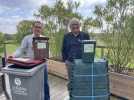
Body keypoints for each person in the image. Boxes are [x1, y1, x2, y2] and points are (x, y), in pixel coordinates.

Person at [12, 21, 50, 100]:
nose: (38, 29)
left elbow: (49, 53)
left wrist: (42, 50)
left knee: (45, 84)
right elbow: (21, 50)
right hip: (32, 65)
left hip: (43, 65)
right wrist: (13, 56)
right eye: (36, 27)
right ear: (33, 28)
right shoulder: (27, 38)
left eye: (39, 27)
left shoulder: (44, 39)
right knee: (33, 84)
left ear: (41, 29)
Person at [62, 18, 90, 99]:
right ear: (70, 27)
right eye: (73, 27)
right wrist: (65, 60)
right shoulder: (66, 36)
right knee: (71, 80)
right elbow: (63, 49)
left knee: (81, 79)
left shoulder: (85, 35)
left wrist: (87, 60)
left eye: (77, 27)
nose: (75, 29)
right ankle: (71, 95)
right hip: (70, 62)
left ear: (79, 26)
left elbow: (89, 47)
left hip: (82, 63)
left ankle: (81, 95)